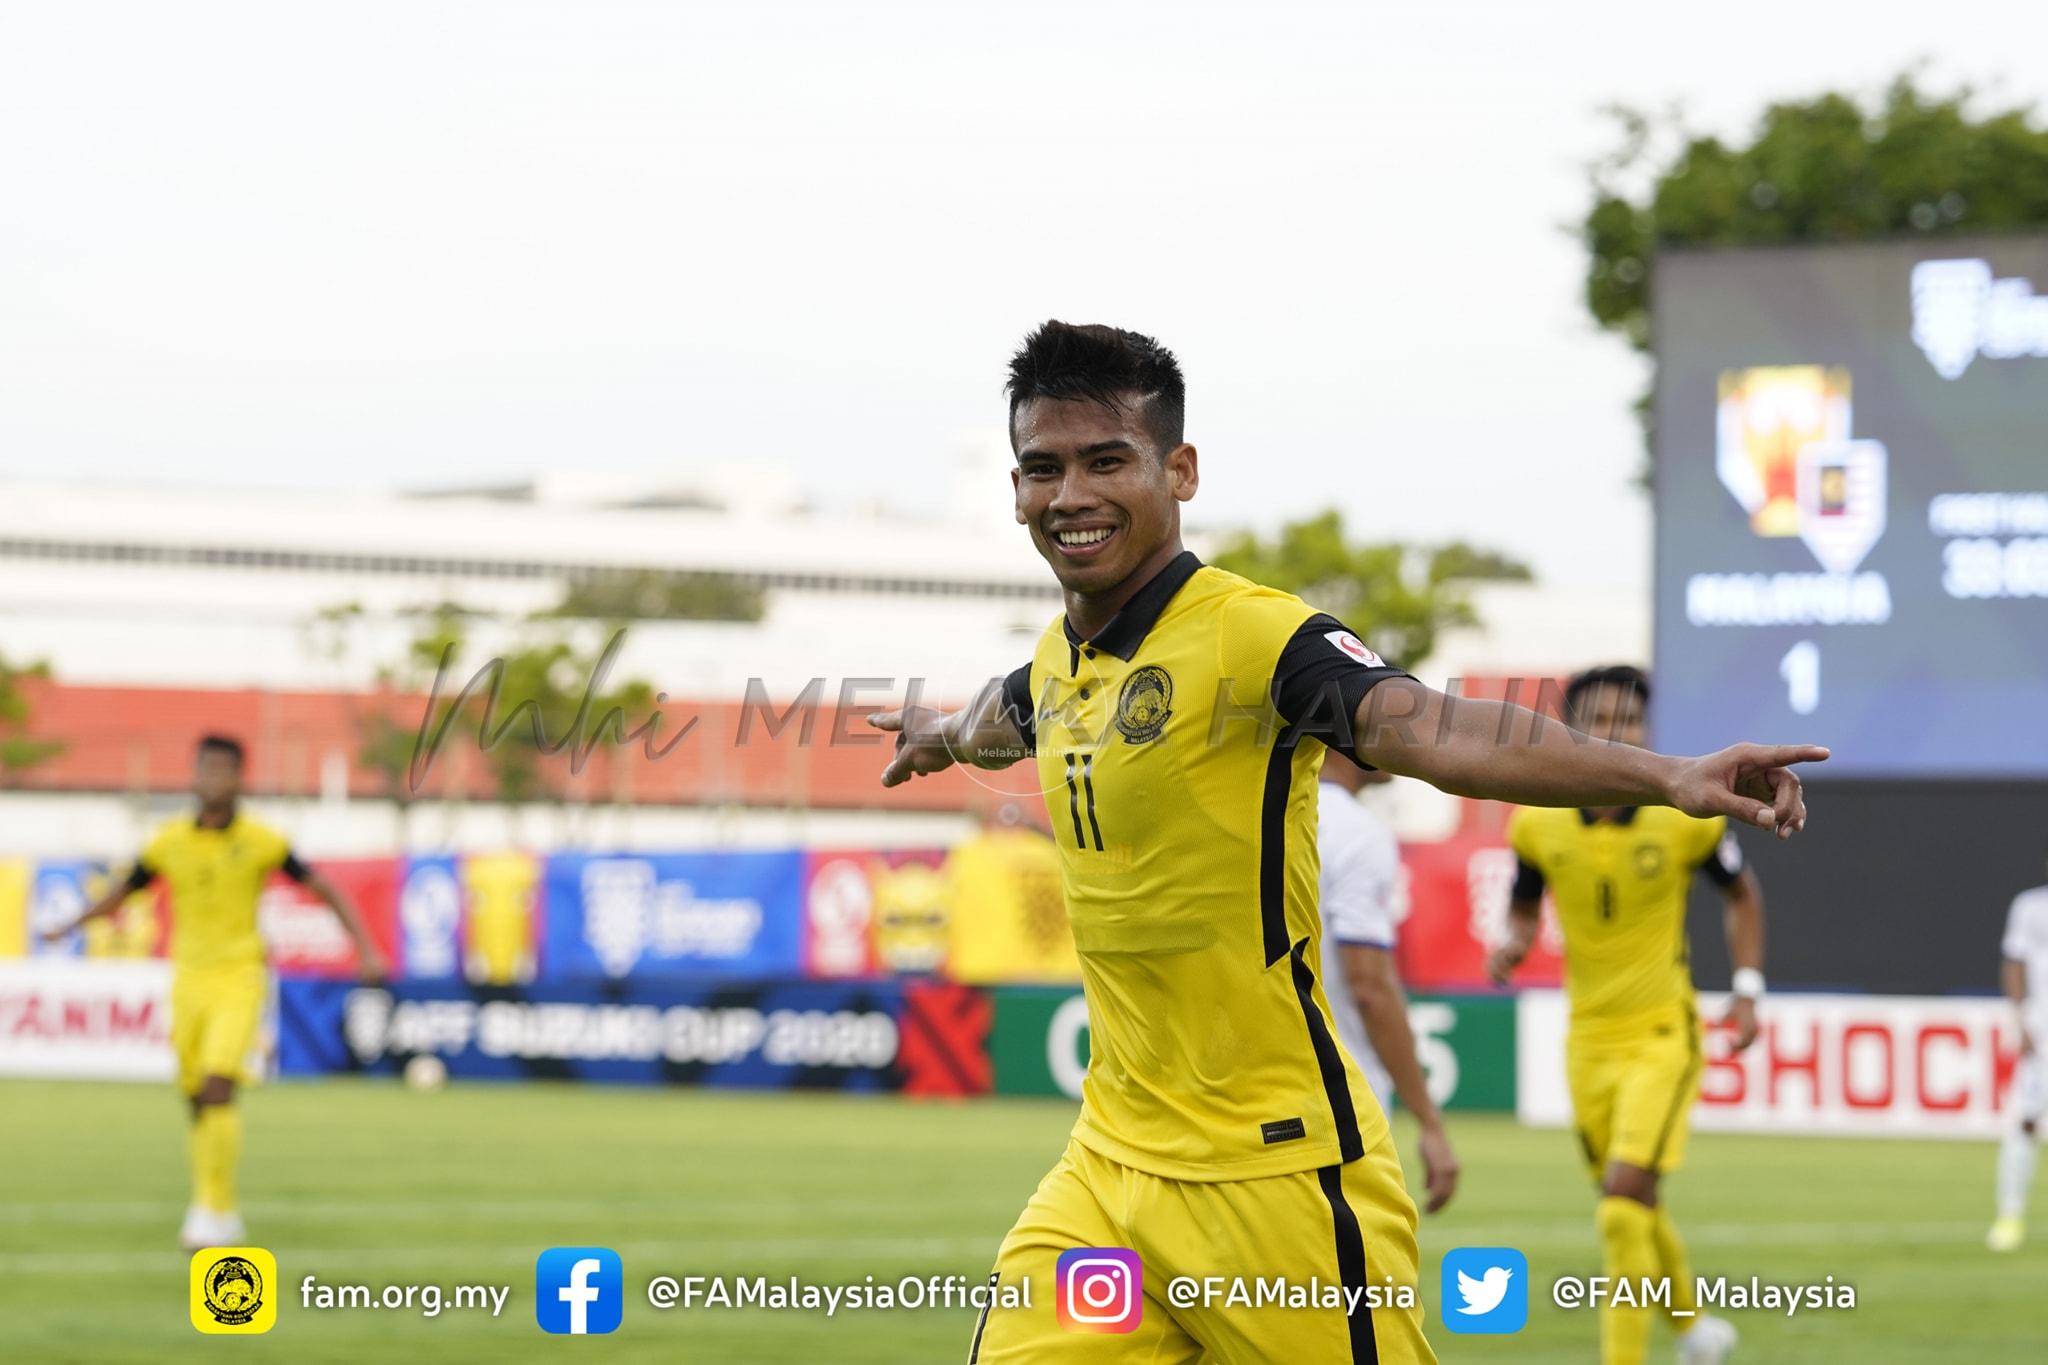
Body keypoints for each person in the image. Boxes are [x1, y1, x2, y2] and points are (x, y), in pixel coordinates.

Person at [872, 322, 1823, 1364]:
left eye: (1106, 461)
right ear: (1015, 488)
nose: (1069, 496)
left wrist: (1666, 776)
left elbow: (1430, 728)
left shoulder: (1256, 636)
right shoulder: (1055, 663)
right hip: (1105, 1171)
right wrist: (932, 738)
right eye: (1042, 469)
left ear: (1177, 470)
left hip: (1279, 1176)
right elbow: (999, 717)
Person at [1487, 666, 1760, 1365]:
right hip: (1587, 1042)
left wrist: (1748, 987)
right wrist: (1515, 941)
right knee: (1631, 1205)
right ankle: (1696, 1331)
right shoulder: (1538, 822)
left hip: (1662, 1033)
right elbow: (1523, 900)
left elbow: (1741, 895)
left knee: (1620, 1202)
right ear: (1573, 728)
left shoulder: (1682, 818)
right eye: (1603, 717)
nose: (1619, 731)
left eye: (1632, 719)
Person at [44, 734, 387, 1249]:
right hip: (188, 981)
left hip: (240, 977)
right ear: (194, 774)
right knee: (195, 1099)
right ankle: (213, 1203)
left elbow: (323, 887)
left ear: (239, 778)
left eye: (224, 770)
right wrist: (72, 923)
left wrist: (365, 948)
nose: (213, 779)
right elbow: (125, 890)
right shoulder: (168, 843)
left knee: (218, 1083)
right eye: (205, 769)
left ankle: (214, 1210)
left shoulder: (262, 840)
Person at [1317, 755, 1459, 1214]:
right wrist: (1429, 1121)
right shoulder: (1355, 831)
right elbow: (1368, 985)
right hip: (1337, 1102)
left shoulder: (1246, 818)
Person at [1988, 861, 2048, 1252]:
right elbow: (2014, 963)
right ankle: (2009, 1215)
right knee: (2025, 1120)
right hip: (2043, 1029)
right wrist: (2020, 1018)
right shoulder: (2031, 906)